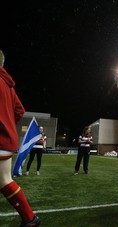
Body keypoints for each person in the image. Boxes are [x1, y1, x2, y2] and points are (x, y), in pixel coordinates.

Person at [0, 49, 40, 226]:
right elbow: (19, 111)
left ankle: (30, 219)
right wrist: (7, 123)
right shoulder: (8, 85)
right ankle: (29, 219)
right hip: (6, 139)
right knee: (5, 180)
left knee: (4, 180)